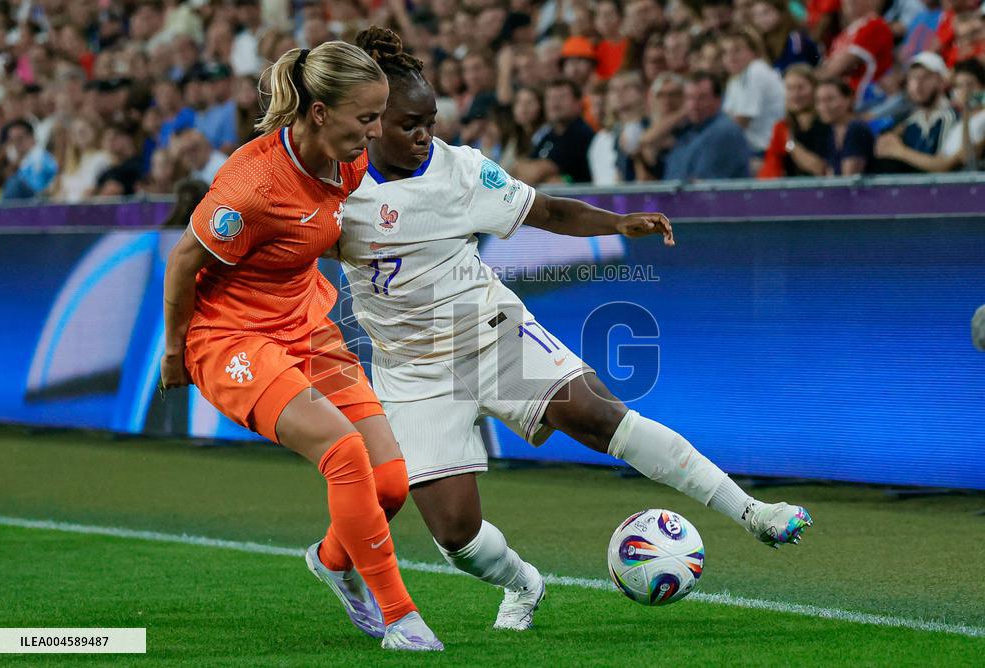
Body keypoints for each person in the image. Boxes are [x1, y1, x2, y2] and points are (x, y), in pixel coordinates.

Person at [339, 26, 812, 633]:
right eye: (410, 124)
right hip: (412, 370)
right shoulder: (335, 186)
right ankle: (523, 583)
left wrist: (620, 221)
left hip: (491, 332)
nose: (425, 134)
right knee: (455, 536)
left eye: (431, 120)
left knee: (598, 414)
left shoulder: (461, 172)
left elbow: (549, 210)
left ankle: (754, 513)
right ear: (372, 122)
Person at [158, 42, 443, 652]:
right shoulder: (252, 186)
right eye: (364, 119)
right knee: (343, 453)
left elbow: (326, 232)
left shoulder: (349, 164)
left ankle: (333, 560)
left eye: (378, 117)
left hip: (306, 327)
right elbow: (183, 262)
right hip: (229, 338)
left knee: (390, 482)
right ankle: (401, 618)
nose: (374, 132)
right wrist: (174, 352)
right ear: (318, 113)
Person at [651, 71, 752, 180]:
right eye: (689, 98)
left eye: (702, 98)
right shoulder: (688, 129)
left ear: (718, 100)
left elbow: (702, 187)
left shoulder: (723, 132)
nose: (694, 105)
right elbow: (645, 142)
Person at [874, 52, 958, 173]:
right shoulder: (907, 122)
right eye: (913, 77)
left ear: (942, 81)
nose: (917, 84)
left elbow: (942, 166)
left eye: (926, 77)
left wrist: (900, 151)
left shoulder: (951, 116)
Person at [513, 79, 596, 184]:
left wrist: (533, 172)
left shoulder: (581, 134)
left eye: (561, 97)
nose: (554, 103)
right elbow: (515, 171)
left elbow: (535, 173)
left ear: (578, 103)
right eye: (550, 98)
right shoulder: (548, 135)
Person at [720, 28, 787, 154]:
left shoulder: (757, 70)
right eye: (725, 52)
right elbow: (727, 117)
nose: (730, 57)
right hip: (751, 148)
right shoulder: (735, 79)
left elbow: (741, 121)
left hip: (768, 151)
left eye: (737, 50)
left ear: (754, 51)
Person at [759, 64, 832, 177]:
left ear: (815, 89)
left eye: (800, 87)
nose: (795, 95)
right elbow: (769, 173)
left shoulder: (827, 124)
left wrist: (789, 144)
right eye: (789, 88)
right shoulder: (783, 126)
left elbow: (820, 169)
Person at [814, 77, 874, 174]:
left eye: (830, 99)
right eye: (819, 101)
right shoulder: (831, 131)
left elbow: (848, 180)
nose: (823, 107)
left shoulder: (856, 129)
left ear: (848, 99)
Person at [749, 0, 821, 73]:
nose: (760, 19)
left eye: (766, 12)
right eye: (755, 15)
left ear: (781, 11)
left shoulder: (794, 38)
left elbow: (796, 71)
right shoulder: (762, 41)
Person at [0, 118, 58, 200]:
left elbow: (39, 188)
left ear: (31, 137)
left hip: (41, 200)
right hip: (29, 199)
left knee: (14, 183)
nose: (16, 144)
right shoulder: (25, 160)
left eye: (19, 138)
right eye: (13, 140)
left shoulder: (39, 157)